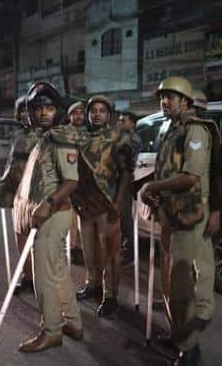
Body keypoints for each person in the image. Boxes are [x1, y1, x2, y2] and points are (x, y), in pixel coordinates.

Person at [141, 76, 219, 366]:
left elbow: (190, 178)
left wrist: (154, 188)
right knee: (174, 281)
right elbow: (166, 171)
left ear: (185, 101)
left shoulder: (195, 131)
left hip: (188, 216)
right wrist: (148, 185)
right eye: (162, 97)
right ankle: (179, 334)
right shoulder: (173, 129)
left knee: (181, 285)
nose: (164, 102)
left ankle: (189, 347)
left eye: (170, 97)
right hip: (172, 214)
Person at [13, 82, 83, 353]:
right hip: (46, 215)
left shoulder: (61, 138)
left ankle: (51, 331)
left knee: (44, 277)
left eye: (49, 107)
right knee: (58, 272)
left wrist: (47, 204)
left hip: (53, 215)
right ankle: (73, 322)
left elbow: (71, 181)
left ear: (58, 111)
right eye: (38, 108)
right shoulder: (43, 138)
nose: (43, 112)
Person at [75, 95, 133, 317]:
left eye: (102, 110)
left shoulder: (119, 137)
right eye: (93, 110)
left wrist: (117, 204)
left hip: (107, 202)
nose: (97, 113)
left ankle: (111, 295)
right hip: (85, 203)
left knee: (110, 252)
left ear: (109, 115)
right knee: (88, 249)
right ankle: (93, 284)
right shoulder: (82, 137)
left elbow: (127, 173)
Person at [0, 95, 39, 295]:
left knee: (39, 244)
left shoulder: (45, 135)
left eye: (27, 109)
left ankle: (41, 282)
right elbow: (10, 165)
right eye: (21, 110)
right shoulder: (17, 135)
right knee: (20, 241)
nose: (24, 114)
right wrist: (4, 189)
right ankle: (28, 277)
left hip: (36, 196)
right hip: (16, 194)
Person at [116, 111, 141, 262]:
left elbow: (117, 152)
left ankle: (131, 250)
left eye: (123, 120)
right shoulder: (123, 136)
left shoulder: (132, 139)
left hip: (125, 182)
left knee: (125, 217)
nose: (119, 123)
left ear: (132, 123)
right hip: (119, 181)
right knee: (121, 217)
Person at [67, 101, 86, 263]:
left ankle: (80, 246)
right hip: (69, 180)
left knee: (84, 216)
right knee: (71, 217)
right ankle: (72, 247)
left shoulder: (88, 133)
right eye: (75, 112)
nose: (78, 116)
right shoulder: (64, 133)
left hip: (85, 182)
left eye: (81, 112)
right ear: (70, 115)